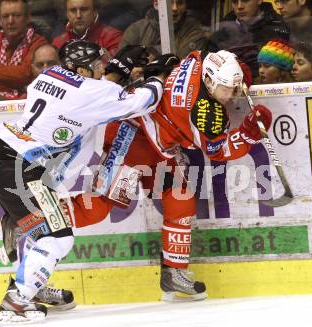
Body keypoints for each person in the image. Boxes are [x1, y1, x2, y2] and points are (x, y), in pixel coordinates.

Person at [0, 40, 167, 325]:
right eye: (96, 65)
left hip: (6, 159)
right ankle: (16, 300)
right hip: (24, 170)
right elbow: (141, 102)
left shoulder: (47, 76)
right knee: (58, 237)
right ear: (81, 68)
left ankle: (28, 282)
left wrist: (114, 74)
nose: (101, 68)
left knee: (46, 230)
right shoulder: (89, 93)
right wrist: (157, 78)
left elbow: (88, 90)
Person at [69, 50, 272, 302]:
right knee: (99, 207)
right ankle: (35, 219)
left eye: (234, 88)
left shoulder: (201, 63)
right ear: (209, 82)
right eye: (227, 89)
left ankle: (174, 272)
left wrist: (240, 73)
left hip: (159, 147)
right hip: (130, 139)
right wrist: (249, 133)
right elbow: (219, 150)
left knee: (181, 198)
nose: (232, 96)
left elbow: (197, 55)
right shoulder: (206, 115)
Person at [0, 0, 48, 100]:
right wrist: (17, 88)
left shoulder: (39, 44)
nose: (10, 21)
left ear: (28, 18)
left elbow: (25, 73)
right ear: (0, 20)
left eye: (17, 15)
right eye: (5, 16)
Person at [209, 0, 289, 81]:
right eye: (234, 2)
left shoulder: (281, 26)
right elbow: (211, 68)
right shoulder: (221, 31)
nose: (239, 6)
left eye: (245, 0)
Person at [119, 0, 209, 58]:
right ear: (156, 4)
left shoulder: (194, 30)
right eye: (170, 3)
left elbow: (181, 65)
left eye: (180, 3)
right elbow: (119, 63)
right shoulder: (137, 29)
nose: (175, 8)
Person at [274, 0, 312, 76]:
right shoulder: (281, 28)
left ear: (302, 1)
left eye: (284, 1)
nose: (279, 7)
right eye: (277, 2)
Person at [52, 0, 122, 57]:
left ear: (95, 12)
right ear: (67, 14)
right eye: (73, 10)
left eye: (84, 9)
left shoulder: (113, 38)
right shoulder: (58, 43)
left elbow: (114, 69)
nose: (78, 15)